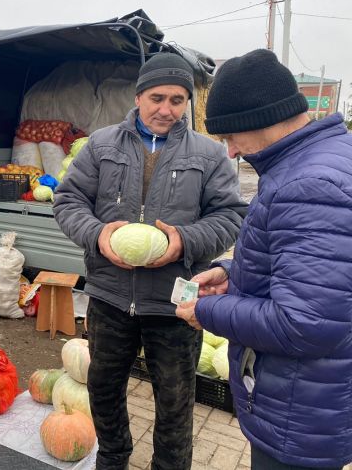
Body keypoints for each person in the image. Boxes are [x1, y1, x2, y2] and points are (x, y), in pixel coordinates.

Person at [54, 52, 247, 470]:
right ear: (139, 96)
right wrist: (97, 234)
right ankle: (113, 456)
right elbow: (69, 202)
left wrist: (183, 242)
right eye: (157, 97)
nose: (166, 109)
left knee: (175, 400)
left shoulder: (209, 154)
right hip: (109, 295)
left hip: (177, 303)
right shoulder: (101, 145)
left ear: (188, 104)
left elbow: (231, 216)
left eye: (177, 100)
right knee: (104, 388)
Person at [176, 49, 352, 470]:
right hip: (317, 400)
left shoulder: (308, 184)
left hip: (300, 411)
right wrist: (231, 273)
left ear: (260, 118)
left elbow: (304, 323)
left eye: (232, 137)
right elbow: (319, 275)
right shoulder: (326, 157)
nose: (232, 152)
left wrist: (209, 310)